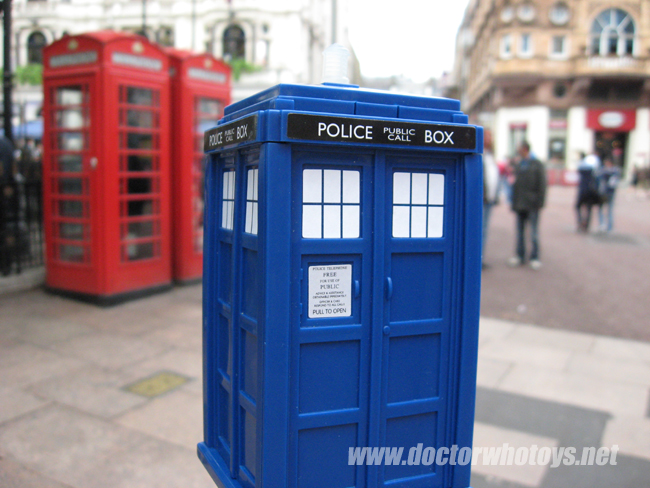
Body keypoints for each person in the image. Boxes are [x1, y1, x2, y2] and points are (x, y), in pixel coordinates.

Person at [508, 141, 547, 270]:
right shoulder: (519, 164)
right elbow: (515, 185)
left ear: (524, 149)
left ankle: (534, 257)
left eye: (519, 148)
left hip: (532, 204)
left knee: (534, 232)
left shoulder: (537, 164)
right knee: (520, 232)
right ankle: (520, 255)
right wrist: (513, 203)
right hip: (520, 205)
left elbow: (542, 184)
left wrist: (540, 202)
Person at [482, 130, 499, 269]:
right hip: (481, 200)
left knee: (484, 230)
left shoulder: (490, 154)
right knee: (479, 230)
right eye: (488, 135)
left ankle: (480, 258)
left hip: (489, 200)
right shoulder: (478, 154)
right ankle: (477, 259)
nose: (490, 138)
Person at [575, 151, 601, 233]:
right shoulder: (594, 171)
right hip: (591, 191)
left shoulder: (582, 169)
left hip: (583, 191)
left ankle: (580, 222)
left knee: (578, 206)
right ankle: (586, 225)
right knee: (589, 209)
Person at [597, 158, 620, 233]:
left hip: (605, 192)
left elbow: (599, 180)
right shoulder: (616, 171)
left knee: (602, 209)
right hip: (611, 193)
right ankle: (609, 226)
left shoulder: (603, 171)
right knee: (609, 209)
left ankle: (602, 224)